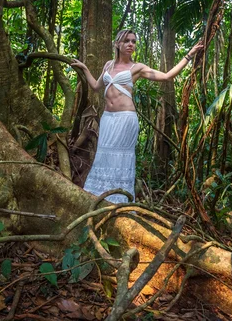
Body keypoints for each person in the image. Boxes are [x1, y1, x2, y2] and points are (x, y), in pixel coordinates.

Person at [71, 29, 204, 203]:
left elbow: (166, 76)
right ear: (117, 44)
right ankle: (99, 198)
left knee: (122, 158)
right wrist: (85, 68)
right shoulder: (108, 65)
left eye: (133, 41)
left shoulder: (137, 68)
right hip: (107, 119)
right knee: (104, 156)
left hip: (126, 119)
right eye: (127, 41)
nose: (131, 45)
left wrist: (189, 55)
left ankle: (118, 201)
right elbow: (96, 86)